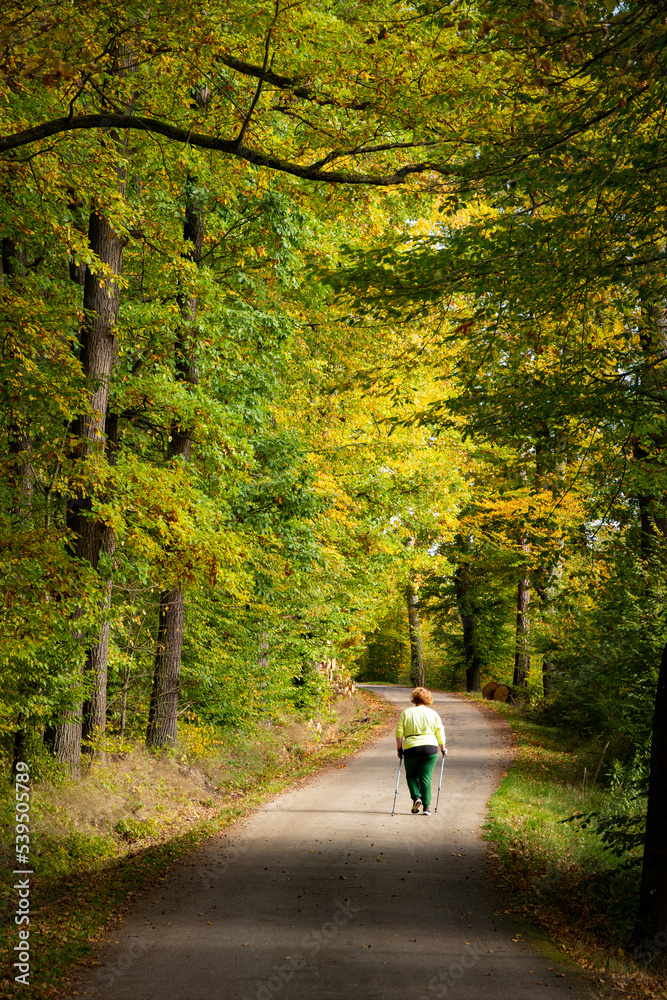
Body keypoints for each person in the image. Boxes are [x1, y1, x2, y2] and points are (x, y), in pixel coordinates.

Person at [395, 687, 447, 816]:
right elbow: (440, 732)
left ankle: (416, 797)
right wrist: (443, 748)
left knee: (411, 775)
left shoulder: (406, 713)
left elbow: (399, 732)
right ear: (428, 699)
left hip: (411, 748)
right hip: (430, 748)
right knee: (425, 777)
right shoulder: (433, 714)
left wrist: (399, 749)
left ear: (414, 699)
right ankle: (427, 807)